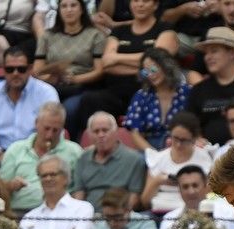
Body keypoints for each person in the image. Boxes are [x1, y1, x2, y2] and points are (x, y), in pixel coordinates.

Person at [68, 0, 178, 140]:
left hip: (149, 90)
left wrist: (117, 58)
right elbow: (107, 62)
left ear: (155, 5)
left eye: (145, 1)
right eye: (136, 1)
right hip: (116, 92)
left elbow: (160, 61)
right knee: (90, 100)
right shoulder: (120, 31)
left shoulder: (165, 29)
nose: (140, 5)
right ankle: (89, 147)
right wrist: (146, 63)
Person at [0, 101, 83, 214]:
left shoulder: (74, 152)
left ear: (63, 128)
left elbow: (80, 189)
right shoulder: (16, 149)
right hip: (20, 211)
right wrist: (10, 185)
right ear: (36, 123)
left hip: (61, 212)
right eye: (46, 128)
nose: (50, 135)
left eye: (55, 130)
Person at [0, 47, 60, 153]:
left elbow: (54, 133)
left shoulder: (46, 93)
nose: (15, 73)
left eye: (21, 69)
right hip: (1, 153)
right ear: (3, 70)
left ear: (29, 69)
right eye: (10, 69)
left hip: (36, 154)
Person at [33, 0, 106, 124]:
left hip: (82, 87)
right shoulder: (47, 36)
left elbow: (99, 71)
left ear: (82, 9)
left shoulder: (95, 35)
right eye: (64, 6)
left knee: (68, 110)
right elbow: (37, 70)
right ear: (59, 10)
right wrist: (50, 77)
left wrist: (74, 79)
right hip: (52, 85)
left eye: (73, 5)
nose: (69, 10)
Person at [71, 112, 146, 210]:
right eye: (96, 131)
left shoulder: (134, 159)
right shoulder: (82, 159)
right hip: (89, 217)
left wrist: (117, 217)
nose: (101, 135)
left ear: (115, 132)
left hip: (120, 217)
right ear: (89, 135)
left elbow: (134, 199)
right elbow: (79, 195)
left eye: (105, 130)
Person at [140, 111, 212, 212]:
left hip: (194, 212)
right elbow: (145, 202)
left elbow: (210, 196)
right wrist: (158, 181)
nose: (178, 144)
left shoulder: (205, 159)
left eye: (184, 140)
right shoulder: (157, 158)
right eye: (175, 138)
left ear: (194, 139)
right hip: (159, 213)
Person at [20, 153, 94, 229]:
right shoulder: (30, 217)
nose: (48, 179)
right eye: (44, 176)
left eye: (53, 174)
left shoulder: (82, 209)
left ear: (66, 178)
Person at [122, 47, 190, 152]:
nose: (150, 75)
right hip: (149, 147)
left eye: (153, 69)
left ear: (166, 67)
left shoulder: (186, 92)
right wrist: (153, 155)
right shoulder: (141, 95)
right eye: (145, 72)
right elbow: (135, 133)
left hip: (180, 144)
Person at [90, 186, 156, 229]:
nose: (112, 222)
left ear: (129, 210)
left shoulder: (146, 223)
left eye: (117, 216)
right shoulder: (99, 222)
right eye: (108, 217)